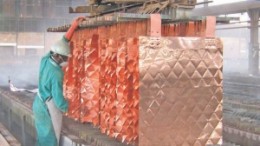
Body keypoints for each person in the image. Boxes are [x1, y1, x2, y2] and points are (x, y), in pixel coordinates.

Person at [32, 17, 84, 146]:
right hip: (47, 107)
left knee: (42, 136)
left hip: (38, 102)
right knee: (50, 140)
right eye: (65, 57)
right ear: (59, 56)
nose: (66, 59)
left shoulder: (46, 58)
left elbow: (63, 42)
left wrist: (73, 27)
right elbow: (58, 98)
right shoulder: (56, 74)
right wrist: (69, 107)